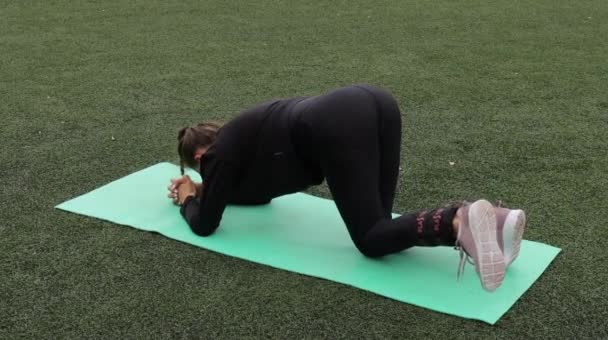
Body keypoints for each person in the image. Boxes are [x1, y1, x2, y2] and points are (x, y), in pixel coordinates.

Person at [167, 84, 526, 292]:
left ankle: (457, 220)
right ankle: (498, 222)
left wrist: (187, 200)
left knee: (370, 239)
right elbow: (258, 195)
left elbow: (205, 225)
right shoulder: (241, 142)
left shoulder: (219, 154)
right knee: (383, 228)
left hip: (336, 123)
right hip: (375, 102)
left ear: (200, 156)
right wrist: (204, 188)